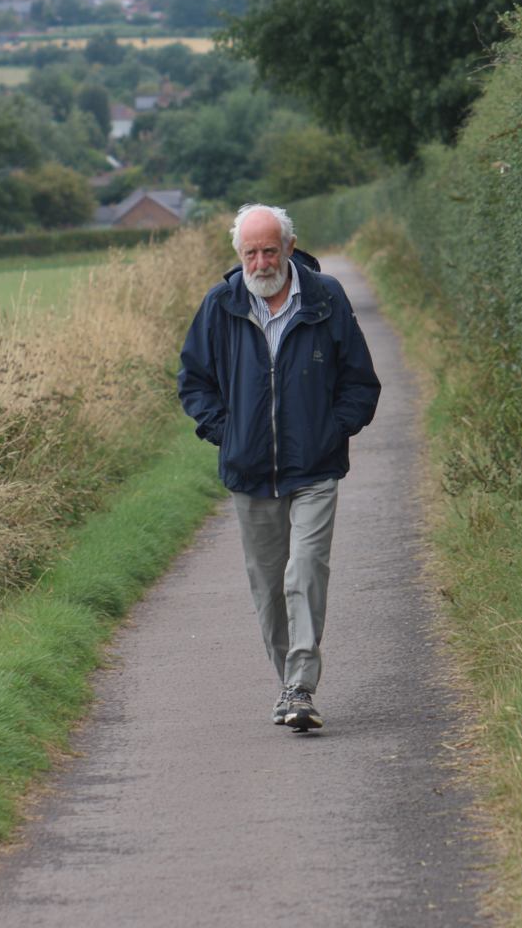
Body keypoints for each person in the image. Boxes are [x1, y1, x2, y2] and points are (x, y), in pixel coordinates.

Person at [177, 203, 380, 730]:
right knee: (268, 590)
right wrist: (229, 433)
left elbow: (360, 381)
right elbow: (193, 382)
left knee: (304, 572)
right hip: (250, 474)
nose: (261, 261)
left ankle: (300, 684)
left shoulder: (325, 297)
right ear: (238, 254)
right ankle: (289, 687)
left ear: (289, 247)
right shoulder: (220, 304)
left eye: (270, 249)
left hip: (314, 468)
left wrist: (332, 429)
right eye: (251, 252)